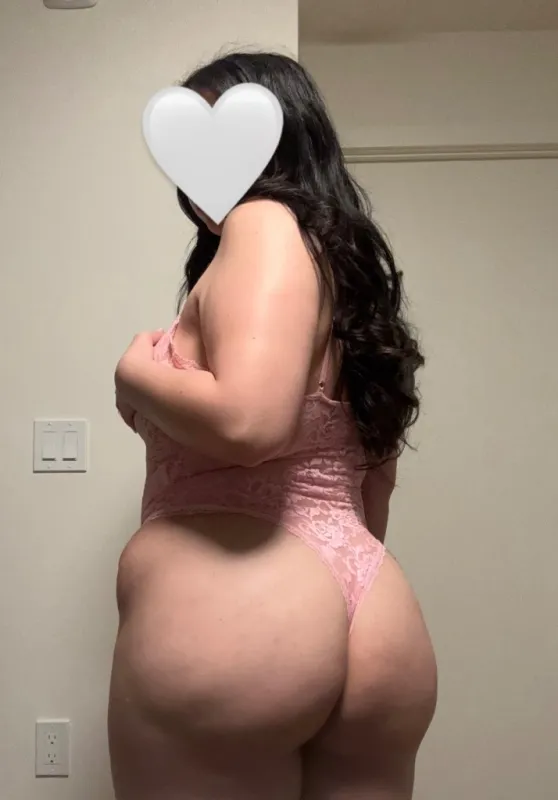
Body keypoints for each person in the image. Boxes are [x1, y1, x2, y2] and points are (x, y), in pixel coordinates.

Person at [109, 51, 438, 800]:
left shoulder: (260, 225)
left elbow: (250, 423)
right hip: (371, 607)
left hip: (240, 591)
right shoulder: (344, 276)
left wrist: (134, 374)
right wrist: (321, 609)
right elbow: (373, 485)